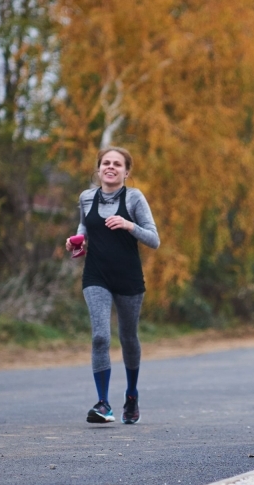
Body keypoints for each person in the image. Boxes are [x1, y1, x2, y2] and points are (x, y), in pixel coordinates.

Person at [65, 146, 160, 424]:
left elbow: (154, 239)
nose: (110, 167)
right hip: (96, 276)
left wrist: (129, 225)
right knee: (100, 336)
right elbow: (84, 227)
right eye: (106, 163)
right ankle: (103, 403)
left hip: (128, 277)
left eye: (117, 164)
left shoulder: (134, 198)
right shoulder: (86, 197)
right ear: (98, 169)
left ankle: (131, 395)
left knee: (128, 338)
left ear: (126, 172)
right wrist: (76, 242)